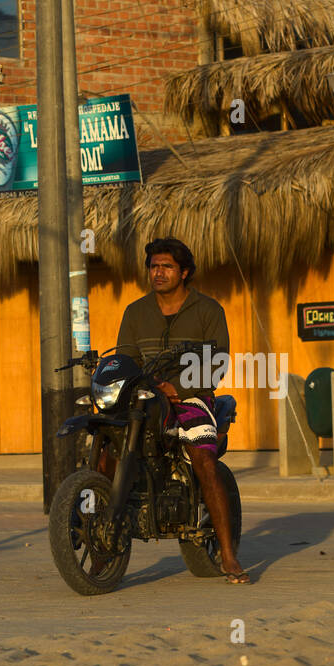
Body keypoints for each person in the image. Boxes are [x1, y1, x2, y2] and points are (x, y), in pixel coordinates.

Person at [115, 236, 252, 585]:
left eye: (166, 267)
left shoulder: (208, 310)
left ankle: (229, 555)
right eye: (153, 266)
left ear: (184, 272)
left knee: (204, 460)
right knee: (106, 436)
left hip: (192, 399)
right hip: (145, 399)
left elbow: (218, 361)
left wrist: (182, 388)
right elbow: (127, 358)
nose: (158, 273)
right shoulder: (135, 311)